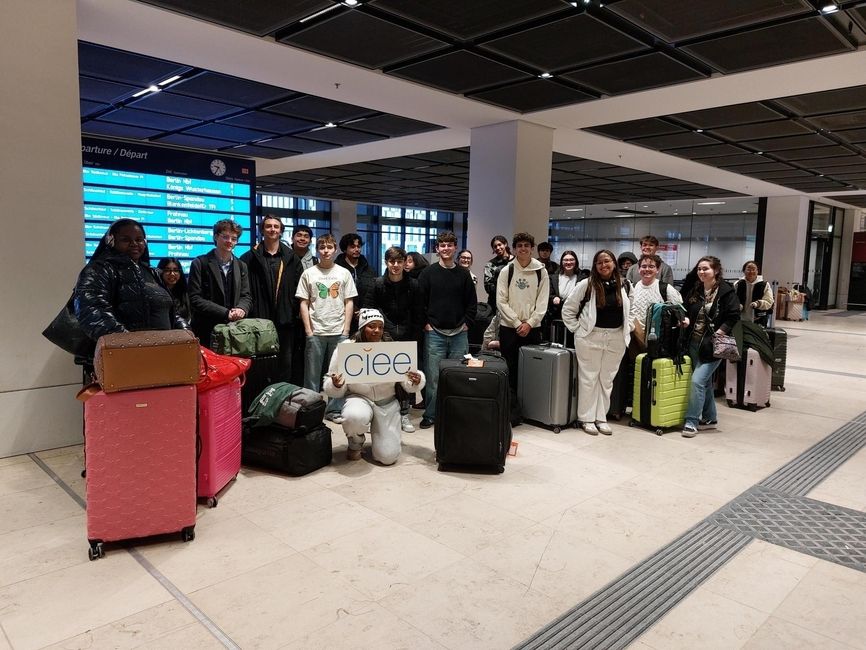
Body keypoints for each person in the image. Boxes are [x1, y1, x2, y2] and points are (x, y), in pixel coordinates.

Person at [323, 309, 425, 464]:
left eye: (380, 326)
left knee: (388, 457)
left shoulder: (392, 347)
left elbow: (407, 382)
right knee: (354, 417)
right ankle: (355, 442)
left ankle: (384, 439)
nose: (377, 330)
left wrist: (415, 380)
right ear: (363, 328)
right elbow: (331, 381)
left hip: (387, 402)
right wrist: (336, 385)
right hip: (359, 398)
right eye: (371, 326)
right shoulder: (347, 348)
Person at [75, 219, 187, 350]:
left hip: (164, 352)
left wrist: (185, 333)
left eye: (139, 239)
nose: (134, 244)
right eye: (126, 239)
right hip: (125, 356)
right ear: (111, 241)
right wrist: (129, 344)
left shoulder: (152, 272)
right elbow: (93, 312)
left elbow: (170, 311)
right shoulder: (99, 269)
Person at [561, 249, 631, 436]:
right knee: (589, 378)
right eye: (599, 262)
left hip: (616, 338)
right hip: (590, 337)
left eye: (607, 261)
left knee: (606, 380)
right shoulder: (587, 284)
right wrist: (578, 329)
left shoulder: (624, 285)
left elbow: (630, 311)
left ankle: (601, 417)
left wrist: (629, 327)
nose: (603, 265)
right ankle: (586, 418)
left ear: (614, 263)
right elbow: (568, 309)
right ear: (595, 266)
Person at [417, 231, 477, 429]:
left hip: (460, 332)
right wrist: (426, 323)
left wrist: (467, 322)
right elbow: (419, 303)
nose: (446, 248)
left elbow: (472, 303)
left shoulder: (464, 274)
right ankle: (432, 414)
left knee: (457, 375)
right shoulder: (427, 273)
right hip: (434, 332)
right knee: (433, 377)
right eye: (442, 245)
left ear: (455, 247)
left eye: (449, 245)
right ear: (437, 248)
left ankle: (454, 414)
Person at [296, 234, 357, 423]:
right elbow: (304, 303)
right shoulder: (309, 273)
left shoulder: (343, 273)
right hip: (316, 331)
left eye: (329, 247)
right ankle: (311, 410)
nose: (326, 251)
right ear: (317, 250)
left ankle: (334, 410)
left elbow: (349, 302)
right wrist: (308, 331)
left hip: (339, 331)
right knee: (312, 376)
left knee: (337, 375)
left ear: (335, 250)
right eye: (322, 247)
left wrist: (346, 330)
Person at [363, 246, 423, 432]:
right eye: (391, 262)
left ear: (405, 262)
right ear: (386, 262)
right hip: (383, 335)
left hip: (407, 334)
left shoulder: (414, 284)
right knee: (383, 375)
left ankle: (404, 414)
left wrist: (413, 334)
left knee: (405, 375)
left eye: (399, 261)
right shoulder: (377, 283)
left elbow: (418, 312)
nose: (395, 265)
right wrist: (381, 332)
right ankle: (379, 413)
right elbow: (369, 309)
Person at [681, 256, 740, 438]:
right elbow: (686, 309)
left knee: (697, 381)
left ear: (715, 271)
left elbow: (733, 315)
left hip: (713, 346)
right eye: (699, 269)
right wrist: (686, 320)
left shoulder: (725, 291)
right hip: (693, 343)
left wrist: (720, 332)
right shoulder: (696, 290)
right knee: (705, 383)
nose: (701, 272)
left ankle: (692, 421)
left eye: (705, 269)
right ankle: (710, 418)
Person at [240, 215, 304, 381]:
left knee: (285, 363)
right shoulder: (248, 258)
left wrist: (293, 313)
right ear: (262, 230)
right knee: (259, 364)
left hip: (285, 321)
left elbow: (300, 289)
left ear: (281, 231)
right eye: (268, 226)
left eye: (276, 226)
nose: (272, 229)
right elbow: (243, 289)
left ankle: (283, 398)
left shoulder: (292, 258)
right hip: (258, 321)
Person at [496, 232, 550, 392]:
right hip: (509, 328)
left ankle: (529, 409)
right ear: (513, 249)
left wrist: (530, 323)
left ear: (532, 249)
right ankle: (511, 410)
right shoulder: (507, 271)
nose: (523, 248)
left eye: (527, 245)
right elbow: (501, 301)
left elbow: (542, 302)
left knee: (531, 370)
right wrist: (517, 323)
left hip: (532, 329)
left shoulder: (541, 271)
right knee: (510, 370)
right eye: (519, 246)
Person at [187, 219, 252, 349]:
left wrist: (241, 309)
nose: (230, 241)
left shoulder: (241, 265)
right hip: (206, 329)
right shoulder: (200, 263)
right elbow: (195, 299)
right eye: (225, 237)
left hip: (233, 330)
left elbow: (246, 296)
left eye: (234, 238)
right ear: (216, 237)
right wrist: (225, 312)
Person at [628, 253, 683, 346]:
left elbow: (679, 309)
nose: (647, 269)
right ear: (639, 269)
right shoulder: (631, 288)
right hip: (634, 337)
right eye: (644, 266)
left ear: (657, 269)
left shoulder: (666, 288)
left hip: (658, 338)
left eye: (651, 266)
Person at [336, 233, 376, 332]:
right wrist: (352, 309)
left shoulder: (369, 268)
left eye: (359, 246)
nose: (357, 249)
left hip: (364, 316)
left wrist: (364, 311)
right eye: (352, 247)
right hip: (341, 316)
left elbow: (372, 291)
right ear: (345, 249)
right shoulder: (337, 268)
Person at [548, 250, 581, 347]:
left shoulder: (582, 277)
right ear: (561, 262)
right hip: (557, 316)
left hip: (576, 317)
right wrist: (553, 298)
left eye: (571, 260)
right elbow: (549, 294)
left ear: (576, 261)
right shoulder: (553, 277)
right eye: (565, 260)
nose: (568, 262)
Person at [734, 260, 774, 325]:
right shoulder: (737, 284)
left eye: (753, 269)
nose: (751, 271)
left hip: (758, 319)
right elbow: (732, 299)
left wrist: (758, 304)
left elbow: (769, 302)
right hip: (740, 319)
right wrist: (738, 305)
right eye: (748, 269)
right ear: (744, 271)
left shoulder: (764, 285)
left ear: (757, 271)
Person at [156, 257, 191, 322]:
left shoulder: (185, 293)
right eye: (167, 270)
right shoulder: (154, 293)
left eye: (176, 270)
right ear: (160, 272)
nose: (172, 274)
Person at [483, 235, 513, 309]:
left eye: (499, 245)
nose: (498, 248)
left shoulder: (516, 261)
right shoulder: (490, 264)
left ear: (505, 244)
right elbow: (488, 287)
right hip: (496, 303)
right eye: (495, 246)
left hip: (513, 303)